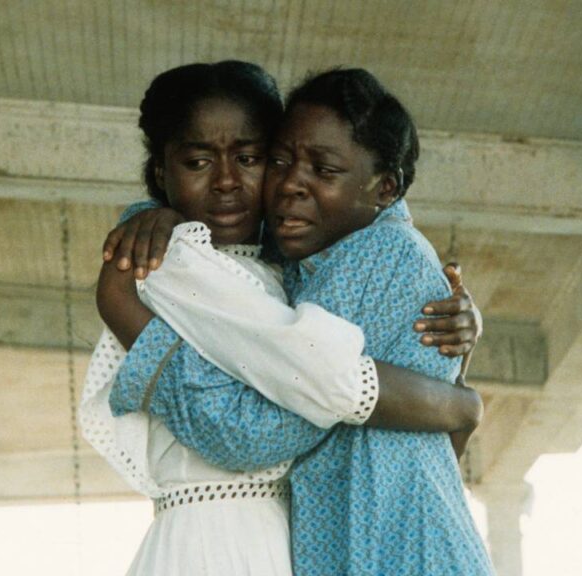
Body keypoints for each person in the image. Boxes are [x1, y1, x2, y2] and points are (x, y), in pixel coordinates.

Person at [81, 61, 486, 576]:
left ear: (386, 188)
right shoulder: (174, 258)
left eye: (252, 158)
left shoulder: (308, 269)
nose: (229, 181)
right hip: (220, 542)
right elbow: (253, 427)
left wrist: (459, 383)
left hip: (304, 542)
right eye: (283, 161)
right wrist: (458, 406)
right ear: (163, 172)